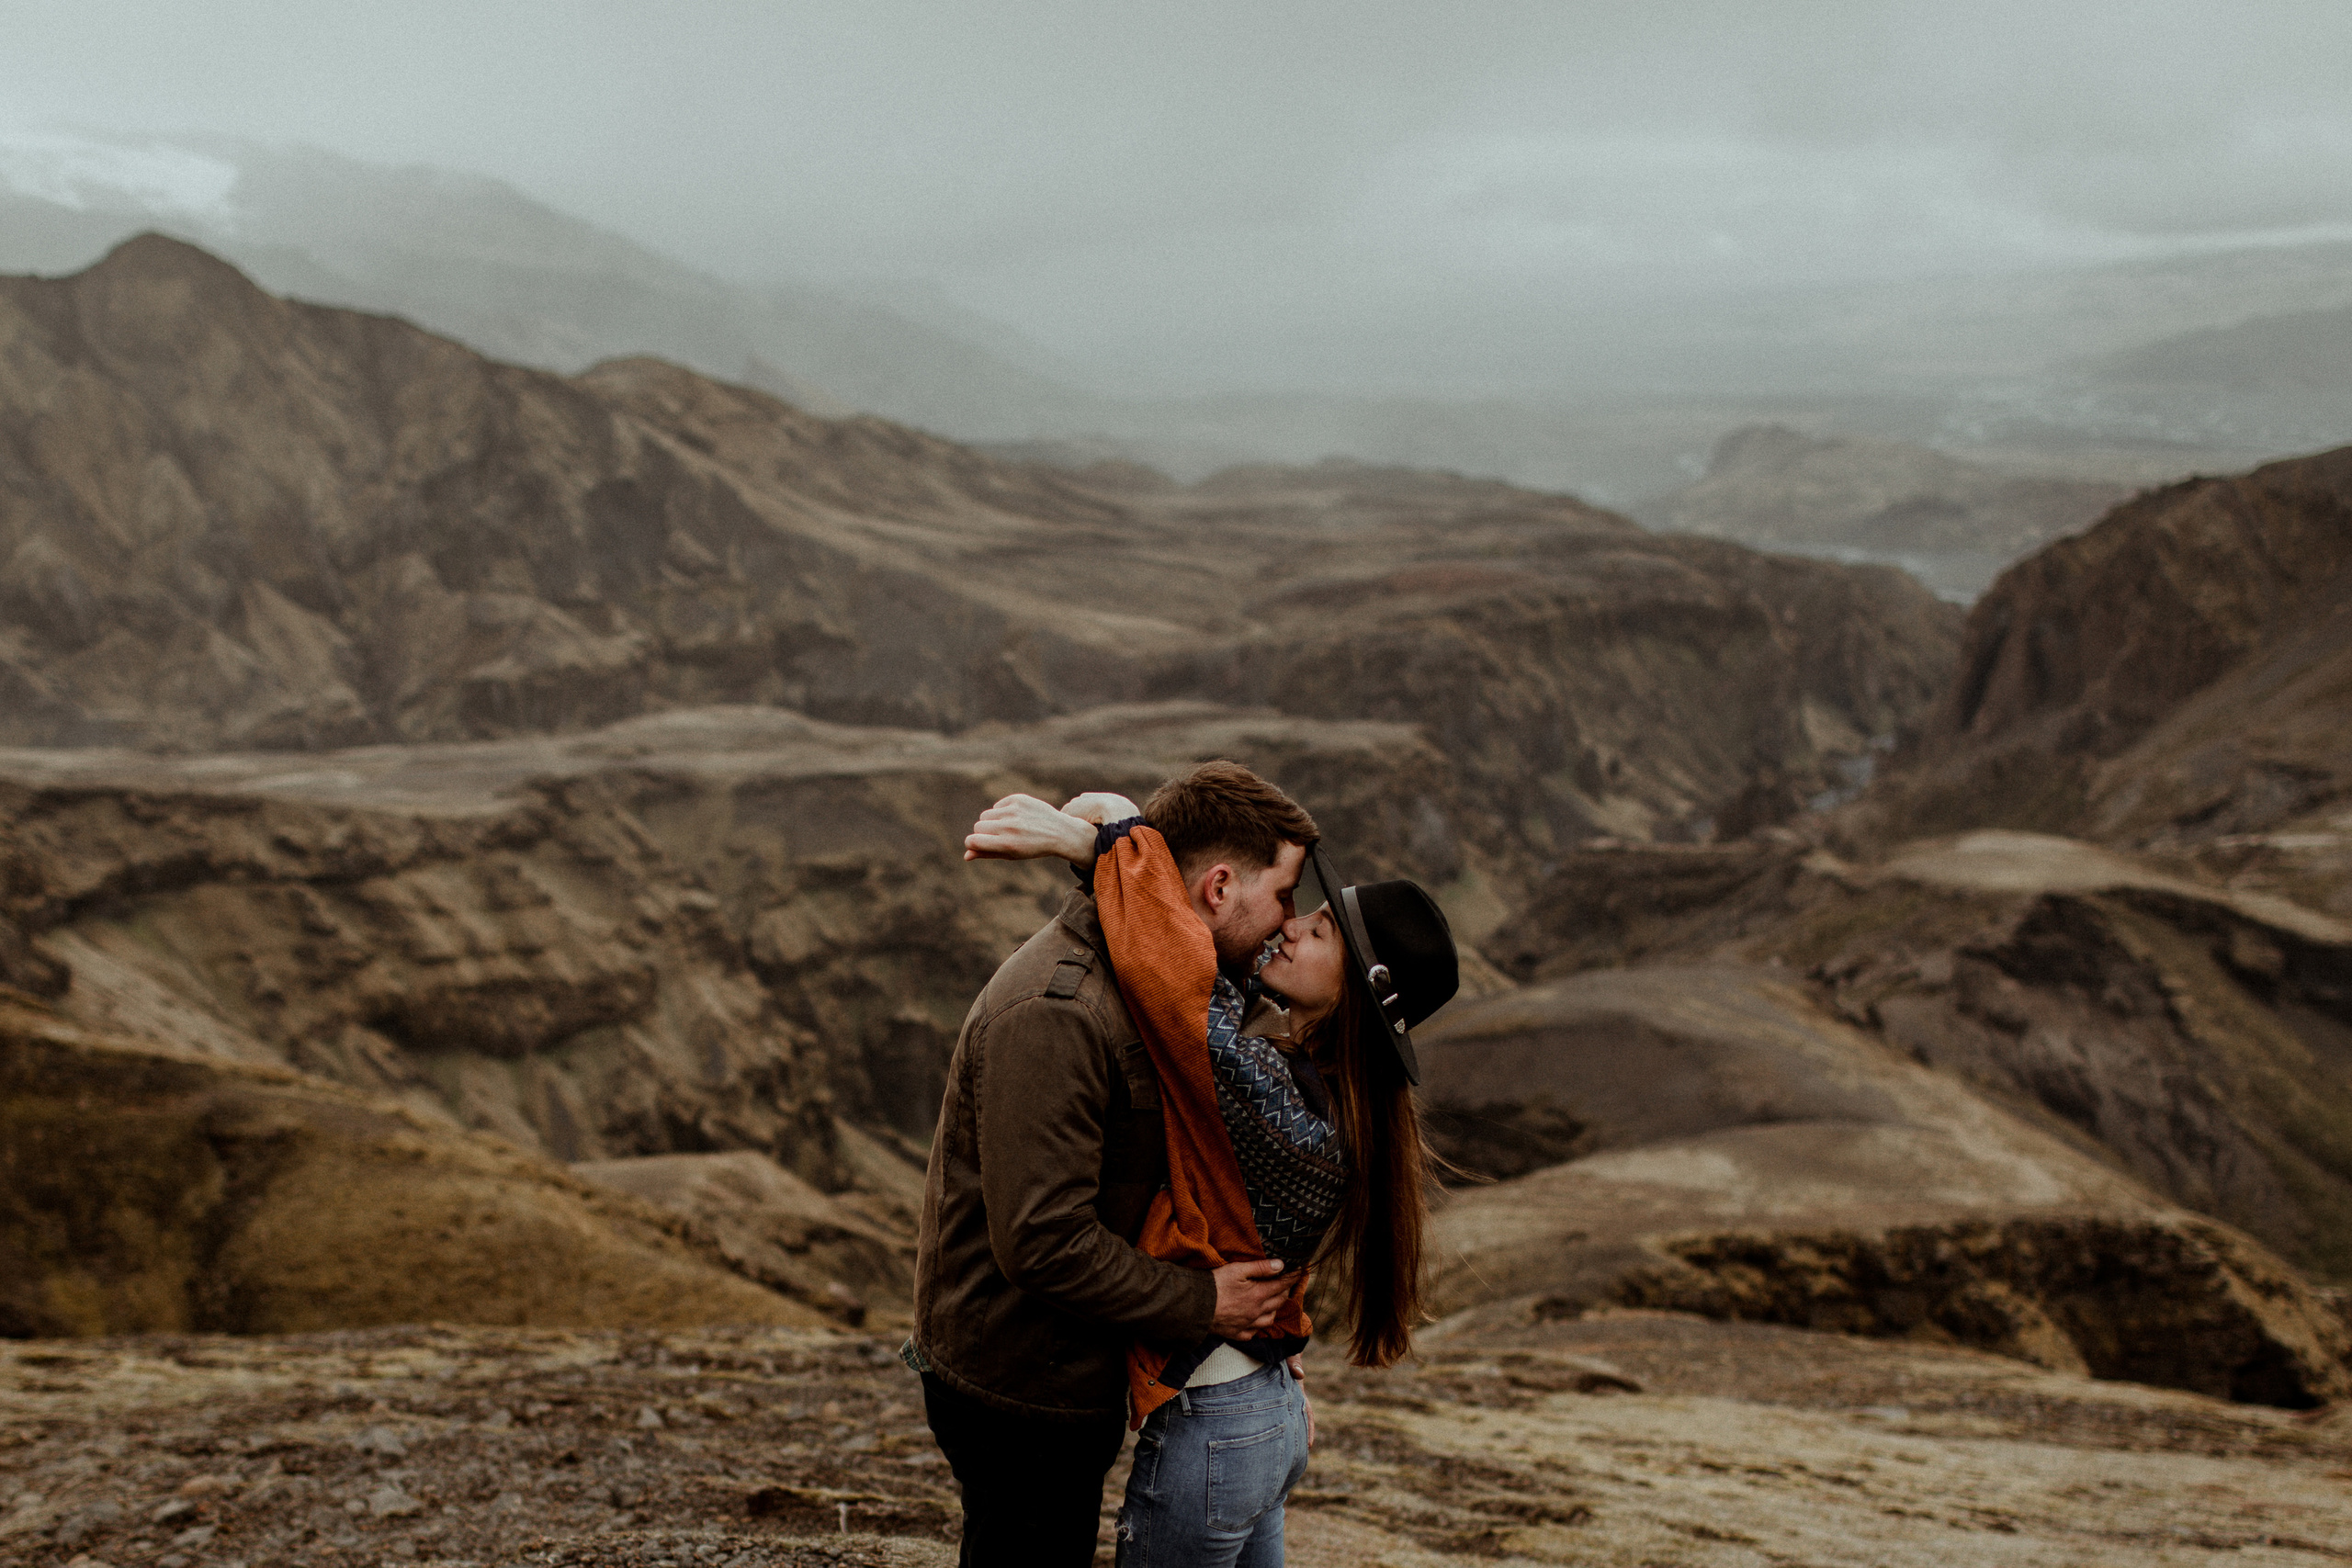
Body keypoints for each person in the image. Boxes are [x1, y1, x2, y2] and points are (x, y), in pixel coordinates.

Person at [960, 774, 1461, 1568]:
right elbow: (1202, 955)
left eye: (1319, 931)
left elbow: (1179, 980)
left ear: (1355, 995)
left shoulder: (1278, 1103)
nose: (1290, 928)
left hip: (1221, 1419)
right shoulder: (1318, 1089)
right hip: (1262, 1410)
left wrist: (1104, 838)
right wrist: (1114, 838)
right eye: (1299, 906)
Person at [906, 761, 1319, 1567]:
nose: (1288, 923)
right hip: (1021, 1385)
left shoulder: (1157, 983)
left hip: (1069, 1364)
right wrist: (1207, 1302)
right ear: (1220, 888)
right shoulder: (1058, 1011)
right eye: (1284, 895)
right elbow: (1042, 1241)